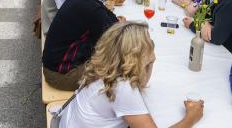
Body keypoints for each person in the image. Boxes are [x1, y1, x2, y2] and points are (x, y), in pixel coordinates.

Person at [59, 21, 205, 128]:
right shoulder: (122, 87)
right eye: (148, 43)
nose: (151, 45)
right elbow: (143, 83)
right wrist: (190, 118)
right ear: (134, 56)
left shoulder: (105, 66)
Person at [42, 0, 121, 91]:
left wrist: (115, 22)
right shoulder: (91, 9)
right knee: (118, 67)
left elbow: (105, 14)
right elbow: (113, 37)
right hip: (61, 76)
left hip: (52, 65)